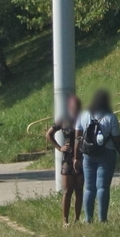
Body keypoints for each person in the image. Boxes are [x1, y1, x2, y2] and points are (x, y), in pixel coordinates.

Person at [75, 89, 120, 223]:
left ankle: (88, 219)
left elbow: (77, 138)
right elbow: (117, 140)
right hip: (107, 154)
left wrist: (76, 157)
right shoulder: (111, 117)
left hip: (87, 155)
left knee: (89, 188)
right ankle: (102, 219)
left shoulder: (83, 115)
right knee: (102, 187)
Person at [45, 93, 83, 224]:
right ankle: (65, 220)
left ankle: (77, 219)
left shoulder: (83, 118)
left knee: (79, 190)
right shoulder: (63, 119)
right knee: (67, 191)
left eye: (77, 106)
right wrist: (59, 147)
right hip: (67, 158)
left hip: (81, 157)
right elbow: (49, 134)